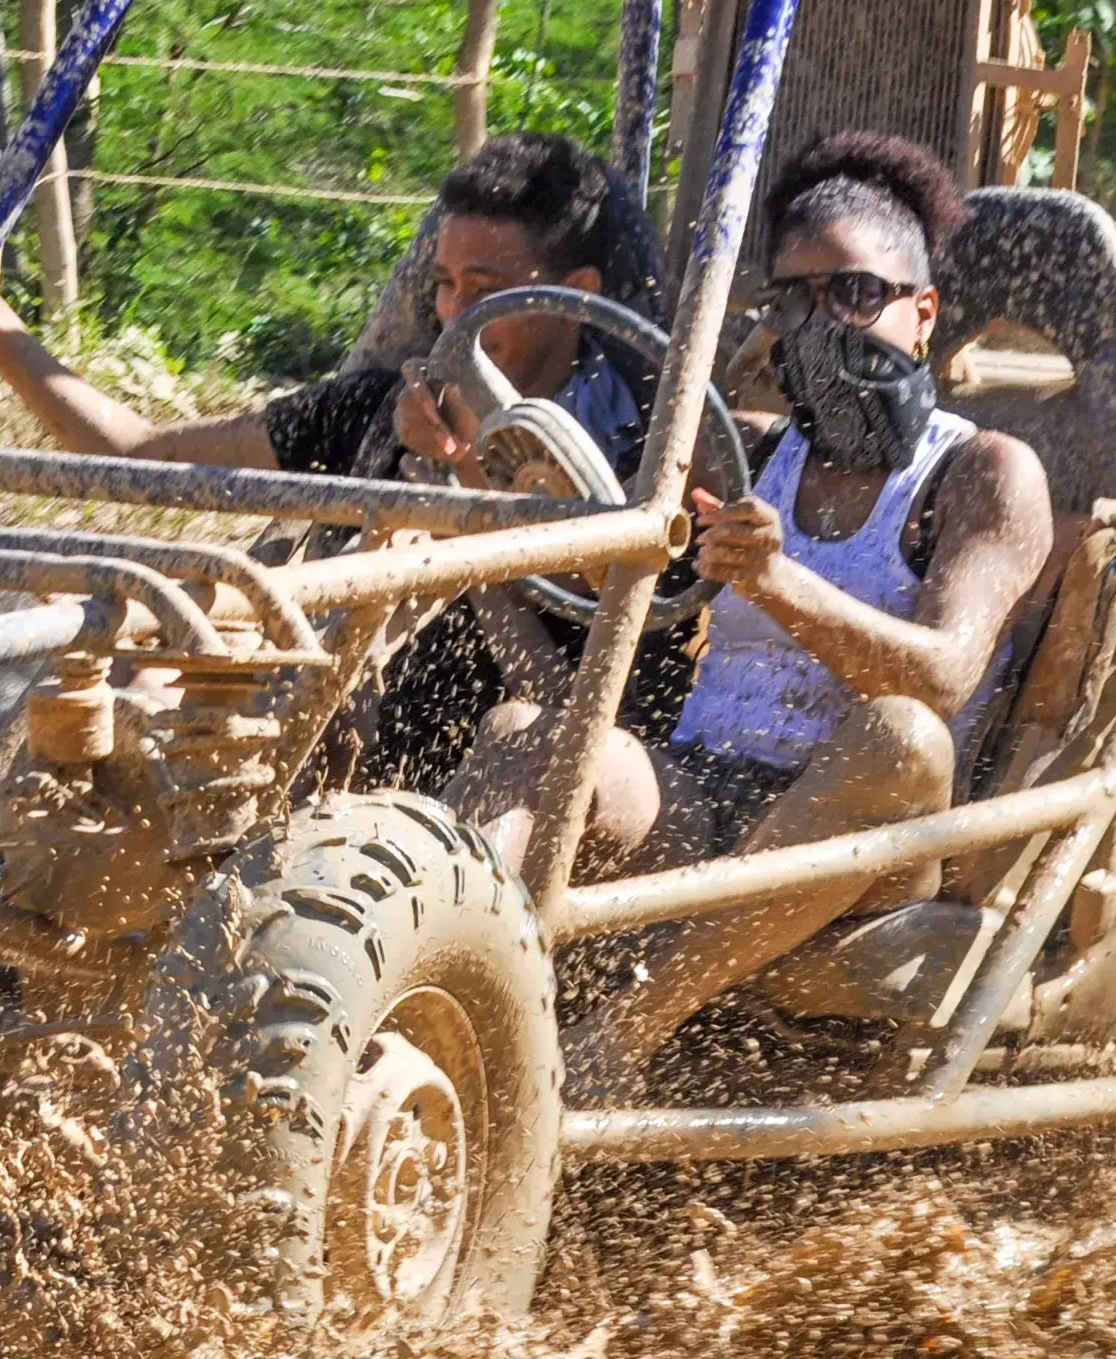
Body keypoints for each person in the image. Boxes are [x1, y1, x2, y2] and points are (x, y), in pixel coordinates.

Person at [443, 130, 1057, 1102]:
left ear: (924, 313)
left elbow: (945, 676)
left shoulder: (982, 470)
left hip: (877, 843)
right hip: (710, 799)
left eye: (855, 295)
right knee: (530, 736)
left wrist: (778, 584)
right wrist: (473, 505)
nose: (824, 327)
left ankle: (618, 1037)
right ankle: (434, 991)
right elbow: (581, 546)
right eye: (797, 301)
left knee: (901, 736)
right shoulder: (745, 452)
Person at [0, 130, 655, 493]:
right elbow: (142, 453)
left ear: (577, 292)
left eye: (486, 292)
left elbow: (618, 604)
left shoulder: (648, 444)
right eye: (444, 284)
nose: (455, 314)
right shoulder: (374, 415)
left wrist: (469, 475)